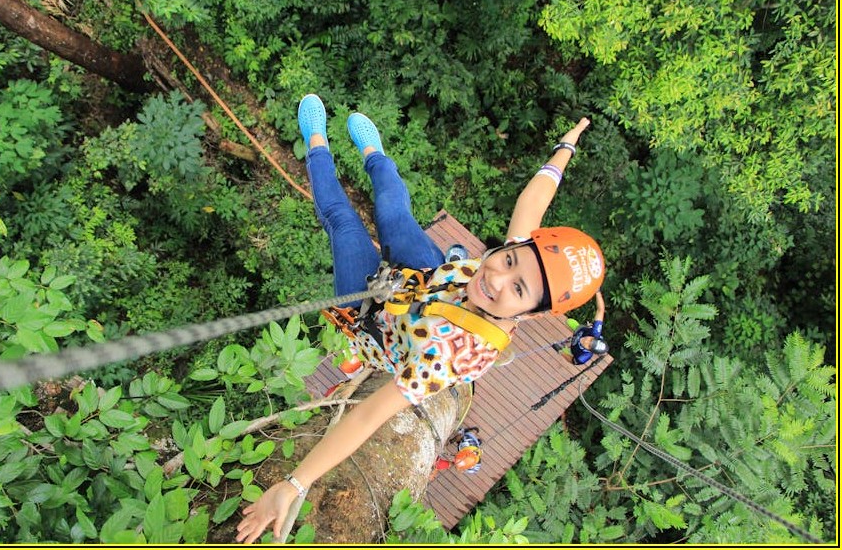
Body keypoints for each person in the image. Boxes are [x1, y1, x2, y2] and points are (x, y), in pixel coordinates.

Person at [236, 94, 604, 544]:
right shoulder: (510, 265)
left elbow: (368, 417)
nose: (498, 277)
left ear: (533, 313)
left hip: (372, 314)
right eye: (508, 260)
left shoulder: (448, 355)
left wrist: (293, 485)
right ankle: (374, 154)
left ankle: (315, 143)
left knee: (343, 222)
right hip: (429, 276)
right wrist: (565, 148)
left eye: (519, 289)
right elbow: (534, 199)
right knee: (393, 208)